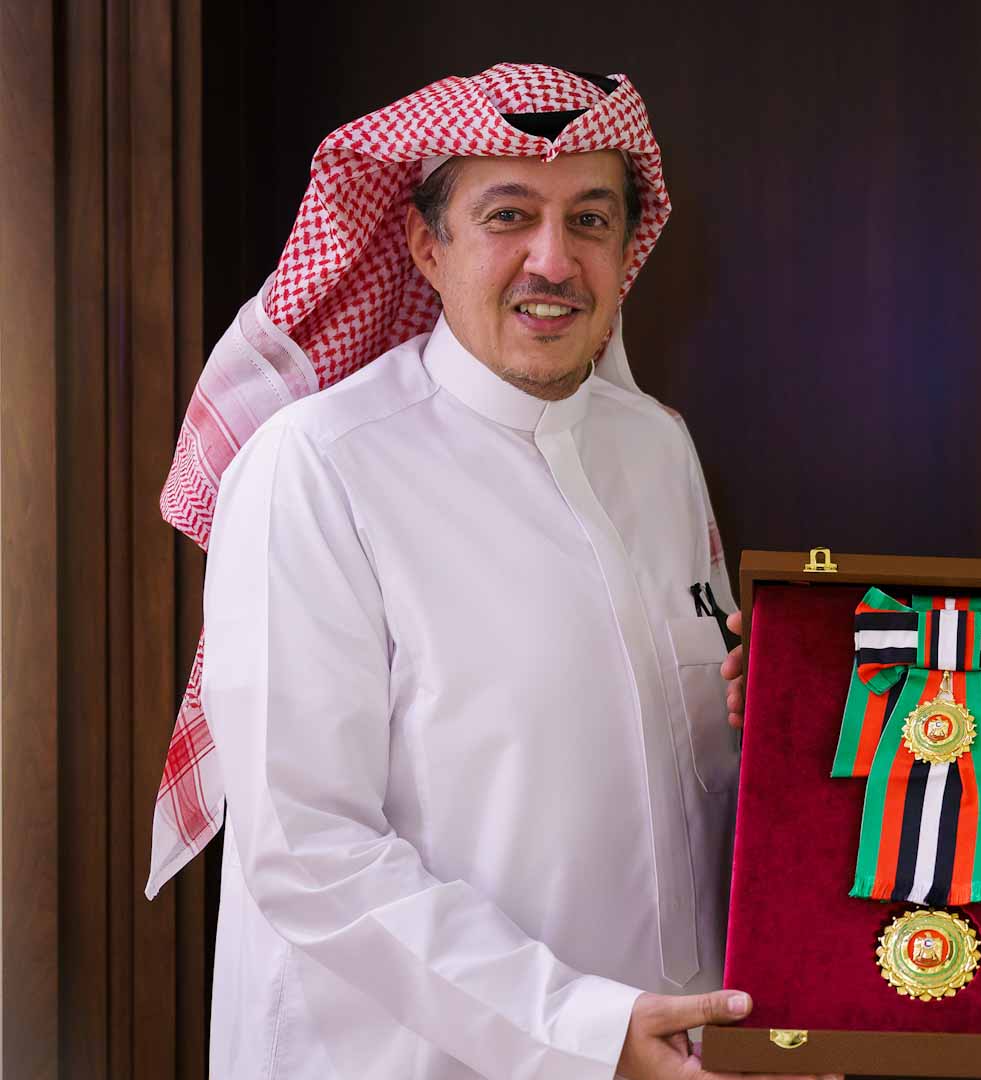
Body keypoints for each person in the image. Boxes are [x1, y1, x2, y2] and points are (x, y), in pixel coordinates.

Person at [144, 63, 828, 1080]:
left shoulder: (658, 448)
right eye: (509, 216)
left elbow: (684, 768)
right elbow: (308, 850)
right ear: (426, 246)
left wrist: (763, 713)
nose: (553, 260)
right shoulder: (315, 468)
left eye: (590, 221)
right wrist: (583, 1031)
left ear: (625, 248)